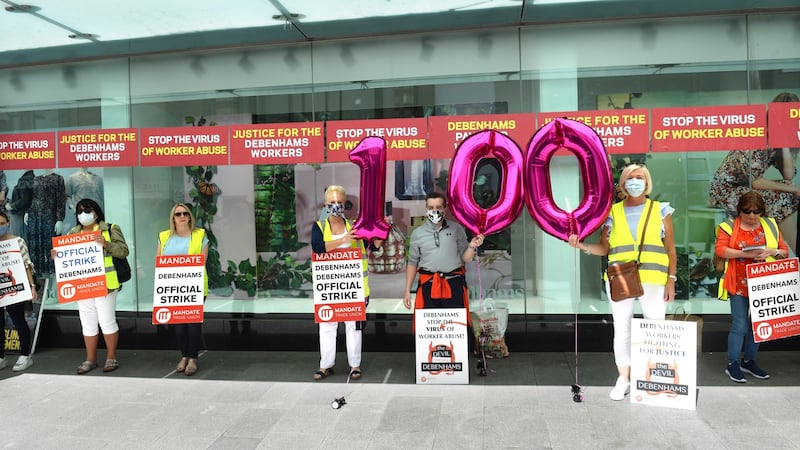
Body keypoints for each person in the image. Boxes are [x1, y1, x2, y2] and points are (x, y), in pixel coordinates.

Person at [568, 164, 677, 401]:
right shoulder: (612, 213)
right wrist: (582, 246)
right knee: (622, 330)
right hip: (620, 278)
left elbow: (670, 249)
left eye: (639, 178)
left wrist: (671, 280)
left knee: (656, 329)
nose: (635, 182)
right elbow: (604, 248)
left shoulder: (661, 210)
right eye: (630, 178)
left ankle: (653, 376)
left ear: (647, 183)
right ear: (623, 184)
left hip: (655, 280)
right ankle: (624, 378)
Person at [709, 92, 800, 254]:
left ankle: (786, 248)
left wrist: (785, 141)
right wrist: (792, 189)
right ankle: (793, 250)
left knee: (787, 189)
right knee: (785, 194)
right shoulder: (757, 135)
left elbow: (788, 175)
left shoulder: (777, 140)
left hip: (747, 188)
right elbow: (755, 181)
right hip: (726, 191)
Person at [310, 185, 383, 381]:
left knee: (354, 326)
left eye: (339, 203)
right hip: (330, 287)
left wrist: (380, 232)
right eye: (332, 203)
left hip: (355, 288)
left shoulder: (355, 227)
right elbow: (318, 248)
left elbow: (372, 247)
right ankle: (326, 365)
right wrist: (343, 238)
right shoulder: (319, 227)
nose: (335, 206)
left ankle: (355, 365)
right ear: (325, 205)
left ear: (345, 204)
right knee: (327, 326)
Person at [714, 191, 788, 383]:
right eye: (747, 211)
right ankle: (732, 364)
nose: (752, 215)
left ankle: (749, 361)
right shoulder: (728, 227)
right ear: (739, 211)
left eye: (757, 211)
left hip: (764, 284)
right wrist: (748, 254)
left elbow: (784, 252)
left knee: (759, 325)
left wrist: (773, 251)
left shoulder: (770, 225)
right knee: (740, 325)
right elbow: (721, 250)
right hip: (738, 283)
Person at [58, 199, 128, 374]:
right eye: (80, 212)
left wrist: (106, 244)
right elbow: (67, 258)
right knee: (87, 323)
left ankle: (111, 357)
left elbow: (123, 251)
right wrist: (57, 255)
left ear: (96, 212)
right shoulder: (73, 232)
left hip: (106, 285)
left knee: (106, 321)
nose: (83, 214)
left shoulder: (110, 229)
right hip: (82, 285)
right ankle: (90, 359)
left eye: (87, 210)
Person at [403, 192, 484, 313]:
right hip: (428, 284)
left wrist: (472, 246)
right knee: (429, 327)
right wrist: (407, 291)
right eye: (431, 208)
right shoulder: (417, 233)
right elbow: (412, 263)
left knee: (456, 326)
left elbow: (466, 258)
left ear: (444, 208)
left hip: (454, 282)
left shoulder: (456, 229)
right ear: (426, 209)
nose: (434, 211)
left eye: (438, 207)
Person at [157, 203, 208, 376]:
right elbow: (160, 261)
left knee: (193, 324)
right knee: (179, 326)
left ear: (190, 216)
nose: (182, 216)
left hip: (194, 286)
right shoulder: (164, 236)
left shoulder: (200, 234)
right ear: (173, 218)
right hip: (173, 288)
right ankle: (184, 356)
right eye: (178, 214)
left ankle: (193, 358)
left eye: (185, 213)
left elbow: (202, 260)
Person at [0, 211, 37, 371]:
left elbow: (26, 265)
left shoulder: (18, 241)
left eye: (2, 223)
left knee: (18, 320)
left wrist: (32, 287)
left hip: (14, 288)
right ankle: (1, 356)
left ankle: (25, 355)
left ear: (8, 223)